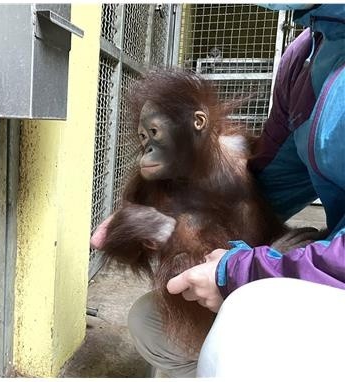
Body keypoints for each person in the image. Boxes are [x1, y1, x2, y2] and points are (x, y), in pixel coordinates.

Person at [104, 4, 345, 378]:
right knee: (150, 322)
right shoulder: (304, 55)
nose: (146, 150)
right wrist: (137, 224)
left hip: (290, 271)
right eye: (142, 138)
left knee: (235, 338)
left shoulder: (233, 151)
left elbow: (251, 208)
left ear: (198, 124)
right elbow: (273, 182)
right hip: (231, 274)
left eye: (154, 136)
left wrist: (252, 269)